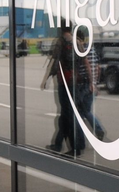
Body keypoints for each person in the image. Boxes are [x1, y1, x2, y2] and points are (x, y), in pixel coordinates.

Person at [42, 23, 86, 156]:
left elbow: (55, 62)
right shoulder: (78, 42)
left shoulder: (60, 42)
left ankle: (75, 148)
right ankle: (64, 144)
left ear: (60, 29)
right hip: (76, 81)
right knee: (69, 115)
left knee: (68, 116)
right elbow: (83, 60)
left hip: (64, 82)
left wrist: (47, 78)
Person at [76, 29, 105, 140]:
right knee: (85, 111)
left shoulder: (80, 50)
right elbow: (97, 68)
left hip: (83, 84)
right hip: (92, 84)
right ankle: (91, 133)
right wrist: (95, 83)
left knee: (82, 112)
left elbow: (79, 68)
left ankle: (94, 131)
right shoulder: (91, 50)